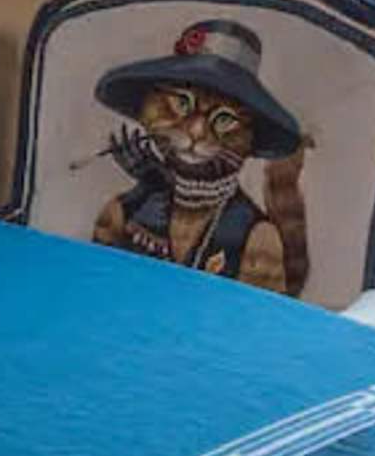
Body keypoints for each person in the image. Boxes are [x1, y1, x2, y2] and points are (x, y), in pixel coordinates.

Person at [90, 18, 313, 295]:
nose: (196, 131)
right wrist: (159, 187)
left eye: (224, 119)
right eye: (182, 103)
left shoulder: (256, 237)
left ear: (250, 136)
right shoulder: (122, 212)